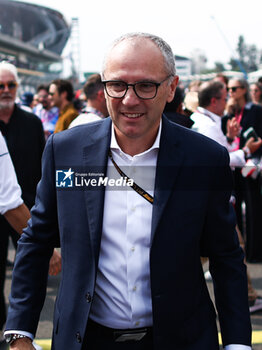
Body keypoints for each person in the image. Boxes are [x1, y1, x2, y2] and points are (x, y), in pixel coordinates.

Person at [5, 33, 251, 350]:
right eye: (117, 85)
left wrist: (237, 344)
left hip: (181, 340)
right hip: (85, 340)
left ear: (171, 87)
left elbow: (226, 256)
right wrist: (19, 333)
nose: (129, 100)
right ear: (103, 87)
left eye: (146, 86)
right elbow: (37, 240)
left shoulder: (204, 159)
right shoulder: (66, 152)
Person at [0, 61, 59, 341]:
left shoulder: (31, 122)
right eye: (0, 86)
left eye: (11, 85)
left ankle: (25, 330)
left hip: (26, 207)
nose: (6, 90)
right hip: (7, 208)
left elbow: (42, 167)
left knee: (32, 267)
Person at [191, 80, 262, 313]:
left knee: (220, 251)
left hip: (208, 197)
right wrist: (245, 151)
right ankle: (248, 298)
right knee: (233, 250)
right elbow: (220, 160)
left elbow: (220, 153)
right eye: (224, 96)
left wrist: (231, 141)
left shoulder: (205, 121)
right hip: (213, 198)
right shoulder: (209, 126)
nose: (227, 101)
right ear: (214, 101)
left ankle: (249, 296)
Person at [224, 78, 262, 262]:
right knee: (234, 210)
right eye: (229, 89)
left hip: (251, 164)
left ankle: (255, 252)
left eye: (234, 88)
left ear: (244, 90)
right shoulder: (229, 112)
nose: (231, 92)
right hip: (233, 164)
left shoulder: (255, 110)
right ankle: (239, 251)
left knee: (253, 208)